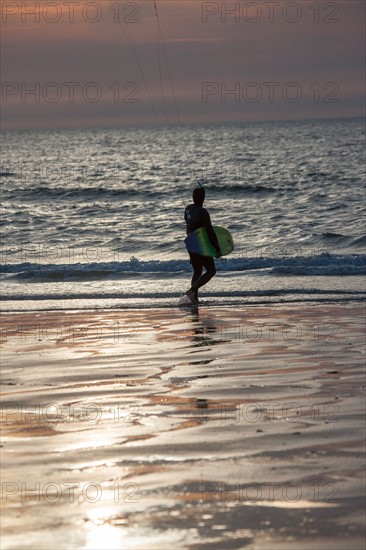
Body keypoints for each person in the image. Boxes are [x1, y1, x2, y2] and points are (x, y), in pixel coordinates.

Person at [184, 186, 221, 305]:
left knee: (197, 271)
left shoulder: (188, 209)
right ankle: (192, 291)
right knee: (211, 271)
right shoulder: (203, 212)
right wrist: (217, 248)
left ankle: (194, 299)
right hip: (200, 245)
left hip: (190, 243)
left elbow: (189, 228)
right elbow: (210, 231)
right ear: (203, 198)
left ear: (193, 197)